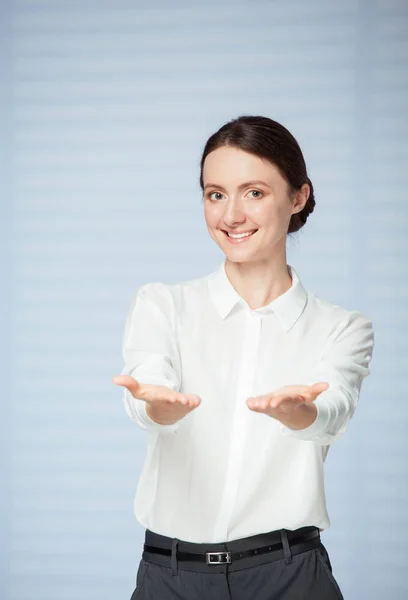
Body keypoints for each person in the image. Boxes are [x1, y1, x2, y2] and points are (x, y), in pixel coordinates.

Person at [112, 115, 374, 600]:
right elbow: (148, 382)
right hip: (171, 578)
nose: (231, 215)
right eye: (216, 194)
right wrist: (157, 407)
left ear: (298, 197)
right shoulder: (162, 304)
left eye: (253, 192)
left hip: (290, 576)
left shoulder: (341, 327)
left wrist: (304, 412)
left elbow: (333, 411)